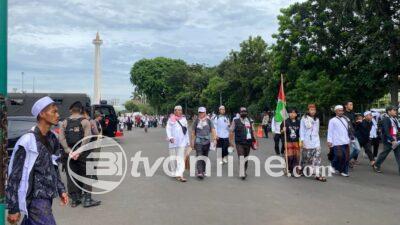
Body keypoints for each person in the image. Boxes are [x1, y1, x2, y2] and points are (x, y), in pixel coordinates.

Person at [6, 96, 69, 225]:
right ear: (42, 114)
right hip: (35, 199)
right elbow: (14, 175)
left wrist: (61, 189)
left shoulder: (53, 138)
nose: (58, 115)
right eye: (54, 112)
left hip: (47, 197)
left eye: (57, 112)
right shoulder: (27, 141)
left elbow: (54, 167)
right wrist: (13, 207)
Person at [59, 101, 101, 208]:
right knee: (88, 174)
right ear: (81, 110)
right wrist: (79, 151)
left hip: (69, 154)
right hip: (84, 153)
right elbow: (87, 138)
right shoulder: (85, 121)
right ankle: (87, 199)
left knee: (71, 175)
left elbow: (61, 139)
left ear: (70, 110)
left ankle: (75, 200)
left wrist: (69, 151)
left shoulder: (64, 122)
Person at [300, 104, 326, 182]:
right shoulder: (304, 119)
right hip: (307, 141)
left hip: (316, 141)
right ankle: (302, 169)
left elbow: (317, 130)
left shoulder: (317, 119)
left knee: (317, 157)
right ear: (308, 110)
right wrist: (302, 140)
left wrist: (317, 138)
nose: (313, 111)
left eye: (314, 110)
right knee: (306, 158)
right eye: (311, 110)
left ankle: (317, 174)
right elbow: (302, 130)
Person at [229, 107, 256, 180]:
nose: (243, 113)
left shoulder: (250, 121)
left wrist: (255, 141)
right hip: (239, 143)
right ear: (239, 113)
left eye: (245, 112)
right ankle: (242, 172)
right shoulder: (235, 121)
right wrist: (231, 142)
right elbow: (231, 131)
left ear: (247, 113)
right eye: (242, 112)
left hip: (248, 142)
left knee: (246, 158)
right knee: (241, 157)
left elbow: (253, 131)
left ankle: (244, 170)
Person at [191, 107, 216, 179]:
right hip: (198, 141)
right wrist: (192, 142)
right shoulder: (196, 121)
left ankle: (203, 170)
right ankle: (200, 172)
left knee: (205, 156)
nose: (201, 113)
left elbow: (213, 130)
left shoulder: (209, 120)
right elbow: (193, 132)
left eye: (202, 112)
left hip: (207, 141)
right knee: (199, 156)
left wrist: (214, 139)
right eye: (200, 112)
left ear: (205, 112)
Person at [166, 106, 190, 182]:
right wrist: (170, 137)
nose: (178, 112)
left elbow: (186, 131)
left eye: (180, 110)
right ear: (174, 111)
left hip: (182, 142)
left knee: (180, 159)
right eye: (176, 110)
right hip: (173, 142)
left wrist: (188, 141)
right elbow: (168, 129)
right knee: (173, 158)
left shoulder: (184, 119)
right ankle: (173, 172)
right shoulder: (171, 119)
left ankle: (180, 174)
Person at [373, 106, 400, 174]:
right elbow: (386, 131)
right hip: (389, 141)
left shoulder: (395, 119)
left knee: (399, 155)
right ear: (389, 111)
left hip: (396, 140)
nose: (395, 111)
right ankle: (376, 165)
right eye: (394, 110)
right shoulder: (386, 119)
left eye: (395, 110)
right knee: (384, 154)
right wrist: (392, 140)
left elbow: (397, 129)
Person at [327, 105, 351, 177]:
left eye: (342, 110)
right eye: (339, 110)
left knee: (346, 157)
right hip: (337, 142)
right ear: (336, 111)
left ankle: (344, 171)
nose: (341, 112)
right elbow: (330, 131)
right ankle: (333, 165)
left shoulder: (346, 119)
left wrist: (350, 139)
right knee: (339, 156)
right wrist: (329, 141)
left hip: (346, 141)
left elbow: (349, 129)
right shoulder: (332, 120)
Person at [281, 108, 301, 177]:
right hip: (288, 141)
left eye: (294, 113)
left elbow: (301, 133)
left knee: (296, 157)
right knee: (289, 157)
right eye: (291, 112)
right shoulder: (285, 122)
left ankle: (295, 170)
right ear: (289, 114)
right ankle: (287, 169)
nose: (292, 114)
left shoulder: (299, 122)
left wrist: (301, 141)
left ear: (296, 114)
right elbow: (281, 132)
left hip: (296, 142)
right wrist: (283, 130)